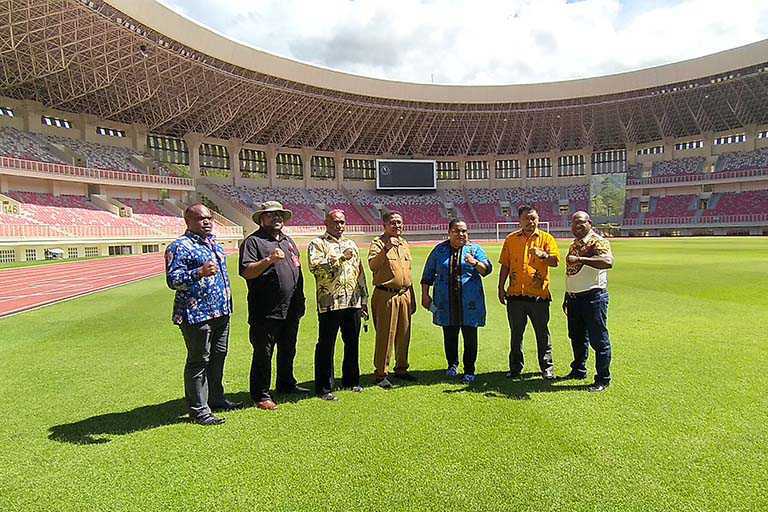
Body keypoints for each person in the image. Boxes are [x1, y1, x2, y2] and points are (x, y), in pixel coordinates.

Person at [165, 204, 241, 426]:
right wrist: (199, 272)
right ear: (188, 221)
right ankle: (198, 410)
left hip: (221, 311)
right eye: (200, 219)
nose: (206, 222)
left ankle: (215, 399)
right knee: (198, 361)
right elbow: (173, 280)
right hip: (196, 314)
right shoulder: (179, 247)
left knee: (218, 356)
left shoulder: (214, 244)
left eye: (209, 218)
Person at [239, 201, 307, 411]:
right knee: (264, 353)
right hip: (266, 310)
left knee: (288, 349)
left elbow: (297, 270)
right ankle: (261, 394)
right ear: (262, 219)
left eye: (279, 215)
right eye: (271, 215)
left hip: (290, 308)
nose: (276, 218)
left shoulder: (288, 241)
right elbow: (246, 271)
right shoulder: (253, 242)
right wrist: (269, 259)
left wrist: (301, 299)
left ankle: (286, 383)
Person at [308, 209, 369, 401]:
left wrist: (364, 299)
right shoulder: (318, 244)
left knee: (352, 343)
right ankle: (324, 387)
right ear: (326, 223)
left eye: (342, 222)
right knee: (326, 345)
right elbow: (316, 268)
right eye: (335, 222)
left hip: (352, 301)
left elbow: (360, 272)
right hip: (330, 303)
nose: (339, 226)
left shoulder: (351, 244)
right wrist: (341, 257)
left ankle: (351, 380)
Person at [421, 219, 492, 384]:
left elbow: (487, 270)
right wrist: (425, 295)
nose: (461, 234)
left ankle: (469, 370)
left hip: (470, 303)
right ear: (449, 232)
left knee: (470, 336)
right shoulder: (439, 250)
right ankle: (452, 365)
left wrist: (475, 263)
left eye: (464, 231)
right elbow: (428, 274)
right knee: (449, 334)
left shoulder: (474, 250)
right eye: (457, 231)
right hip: (446, 301)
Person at [498, 205, 561, 380]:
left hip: (538, 296)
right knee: (516, 334)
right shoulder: (511, 239)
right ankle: (515, 367)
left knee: (542, 333)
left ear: (538, 219)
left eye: (533, 218)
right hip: (515, 295)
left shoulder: (546, 239)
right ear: (520, 220)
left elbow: (555, 262)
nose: (530, 221)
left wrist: (542, 255)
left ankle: (547, 367)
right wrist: (500, 287)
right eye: (526, 218)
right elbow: (505, 265)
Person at [562, 211, 614, 392]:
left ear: (589, 223)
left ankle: (603, 379)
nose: (577, 226)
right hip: (575, 298)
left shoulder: (598, 241)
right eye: (573, 223)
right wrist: (567, 295)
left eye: (581, 222)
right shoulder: (574, 244)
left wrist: (582, 259)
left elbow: (608, 261)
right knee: (576, 337)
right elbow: (571, 271)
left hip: (593, 297)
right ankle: (578, 369)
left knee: (599, 340)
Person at [368, 211, 417, 388]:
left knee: (404, 334)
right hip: (386, 294)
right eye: (393, 223)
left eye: (399, 222)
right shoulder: (378, 243)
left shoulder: (404, 243)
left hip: (404, 294)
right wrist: (386, 248)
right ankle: (381, 374)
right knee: (386, 335)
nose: (397, 226)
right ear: (385, 225)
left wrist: (413, 297)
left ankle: (401, 369)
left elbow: (407, 271)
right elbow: (373, 265)